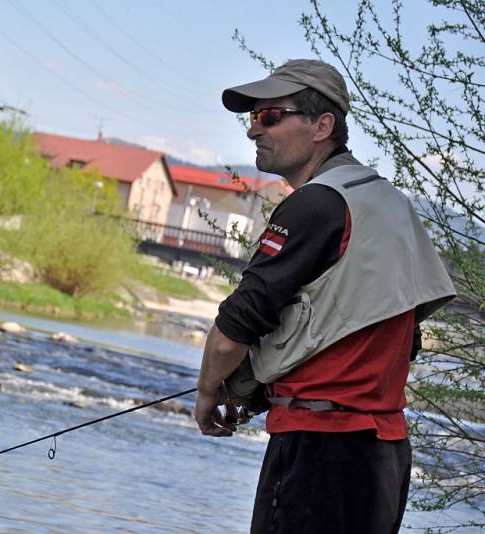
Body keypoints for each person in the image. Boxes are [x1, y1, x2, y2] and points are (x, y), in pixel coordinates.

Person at [194, 59, 457, 534]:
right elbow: (388, 335)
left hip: (317, 452)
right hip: (384, 458)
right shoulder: (393, 207)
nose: (255, 131)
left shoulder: (316, 203)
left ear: (322, 126)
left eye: (270, 116)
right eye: (252, 118)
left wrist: (209, 392)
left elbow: (234, 329)